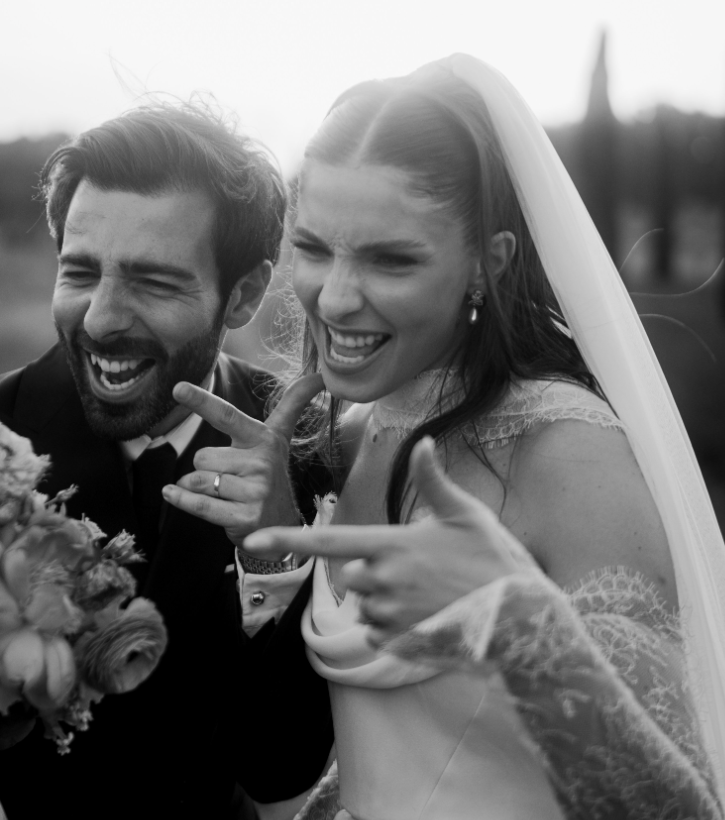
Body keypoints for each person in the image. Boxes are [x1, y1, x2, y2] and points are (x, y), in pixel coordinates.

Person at [166, 56, 725, 819]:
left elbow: (677, 804)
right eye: (316, 247)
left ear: (487, 265)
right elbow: (396, 747)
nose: (333, 296)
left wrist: (520, 627)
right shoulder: (361, 433)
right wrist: (278, 541)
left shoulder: (567, 453)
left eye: (391, 259)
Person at [0, 101, 334, 820]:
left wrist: (273, 555)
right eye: (80, 272)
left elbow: (279, 766)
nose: (102, 317)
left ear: (246, 294)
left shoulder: (308, 450)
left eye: (153, 281)